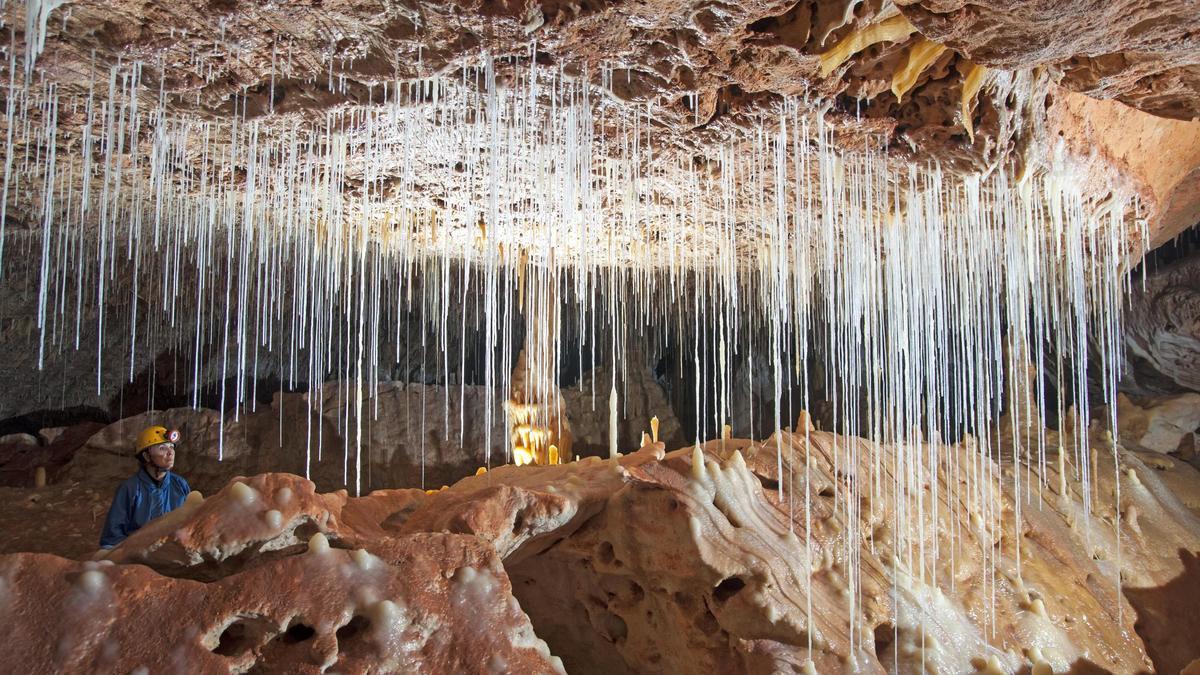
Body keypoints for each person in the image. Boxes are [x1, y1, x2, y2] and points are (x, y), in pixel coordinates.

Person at [99, 425, 191, 549]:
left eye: (171, 447)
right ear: (146, 456)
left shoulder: (180, 485)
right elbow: (112, 537)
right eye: (162, 448)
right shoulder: (129, 489)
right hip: (137, 555)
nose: (171, 453)